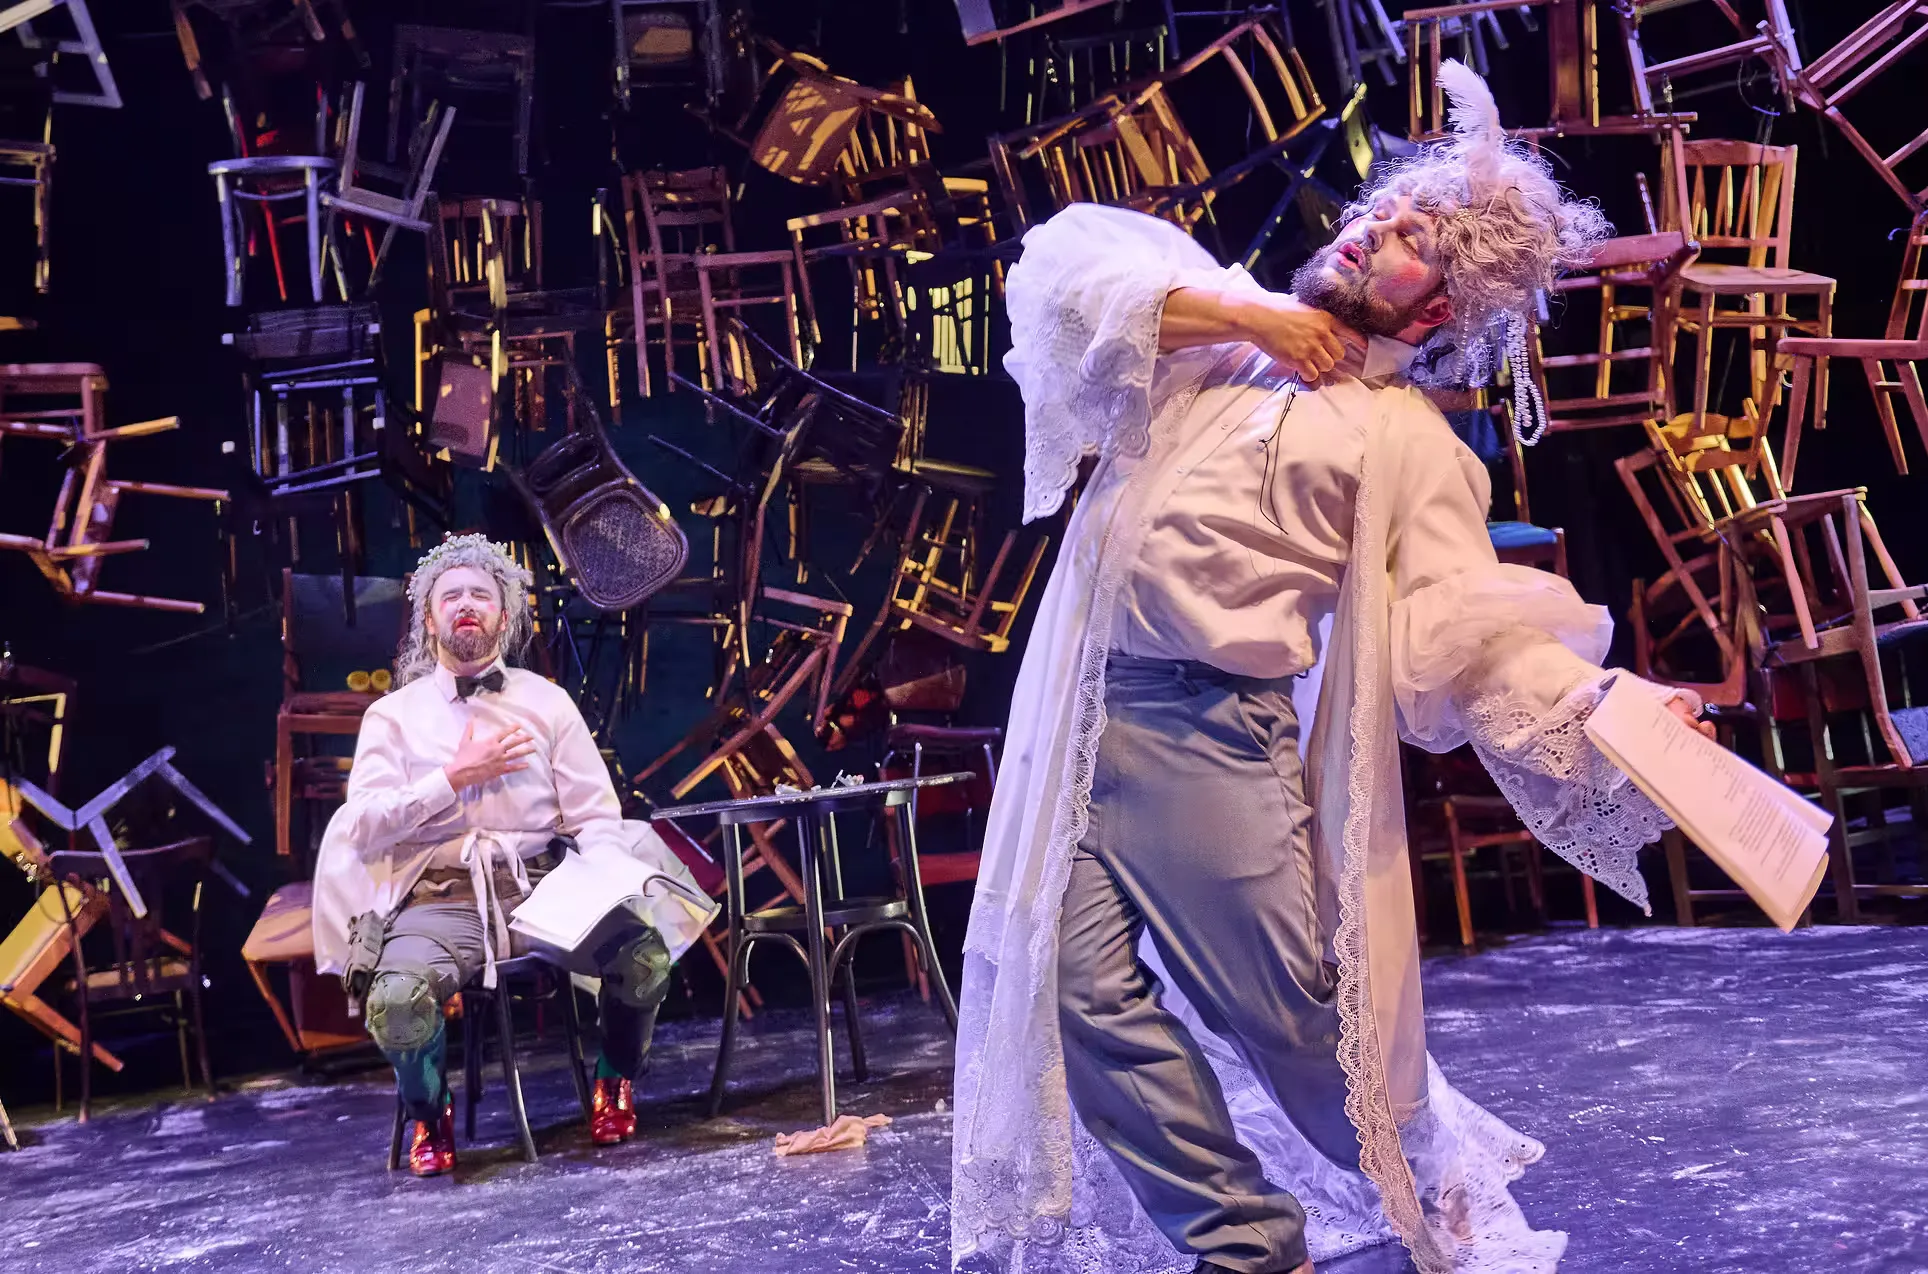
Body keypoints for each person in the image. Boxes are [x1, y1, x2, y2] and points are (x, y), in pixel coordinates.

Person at [950, 63, 1712, 1274]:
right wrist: (1254, 319)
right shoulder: (1216, 343)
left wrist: (1611, 706)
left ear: (1431, 314)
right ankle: (1248, 1244)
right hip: (1089, 713)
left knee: (1303, 1025)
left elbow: (1470, 628)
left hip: (1210, 732)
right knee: (1070, 991)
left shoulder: (1407, 442)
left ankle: (1445, 1207)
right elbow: (1059, 278)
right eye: (1377, 214)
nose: (1368, 233)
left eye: (1410, 242)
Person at [311, 534, 715, 1176]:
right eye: (451, 596)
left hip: (542, 887)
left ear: (505, 614)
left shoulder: (547, 701)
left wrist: (606, 880)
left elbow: (596, 816)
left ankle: (615, 1077)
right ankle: (429, 1110)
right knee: (394, 1004)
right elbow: (361, 826)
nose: (466, 606)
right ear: (428, 615)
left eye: (480, 595)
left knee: (644, 957)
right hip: (442, 900)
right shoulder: (392, 717)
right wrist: (453, 777)